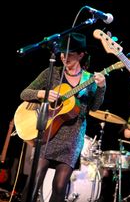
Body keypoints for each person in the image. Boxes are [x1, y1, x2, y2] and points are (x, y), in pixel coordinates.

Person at [20, 32, 106, 201]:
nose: (63, 57)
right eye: (62, 53)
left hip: (72, 137)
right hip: (48, 132)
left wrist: (102, 87)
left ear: (81, 55)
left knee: (59, 186)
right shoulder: (52, 73)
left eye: (69, 54)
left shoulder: (89, 79)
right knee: (34, 180)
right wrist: (42, 93)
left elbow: (94, 107)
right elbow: (24, 93)